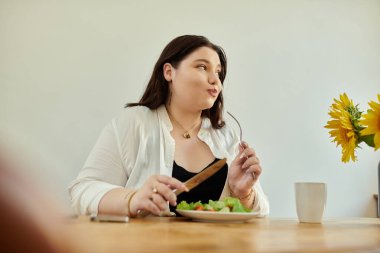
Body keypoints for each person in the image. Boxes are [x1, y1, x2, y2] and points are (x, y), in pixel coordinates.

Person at [69, 35, 269, 217]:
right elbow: (82, 190)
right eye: (202, 67)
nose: (215, 79)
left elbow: (260, 214)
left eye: (218, 72)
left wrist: (243, 194)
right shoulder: (134, 123)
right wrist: (132, 199)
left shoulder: (226, 136)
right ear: (168, 72)